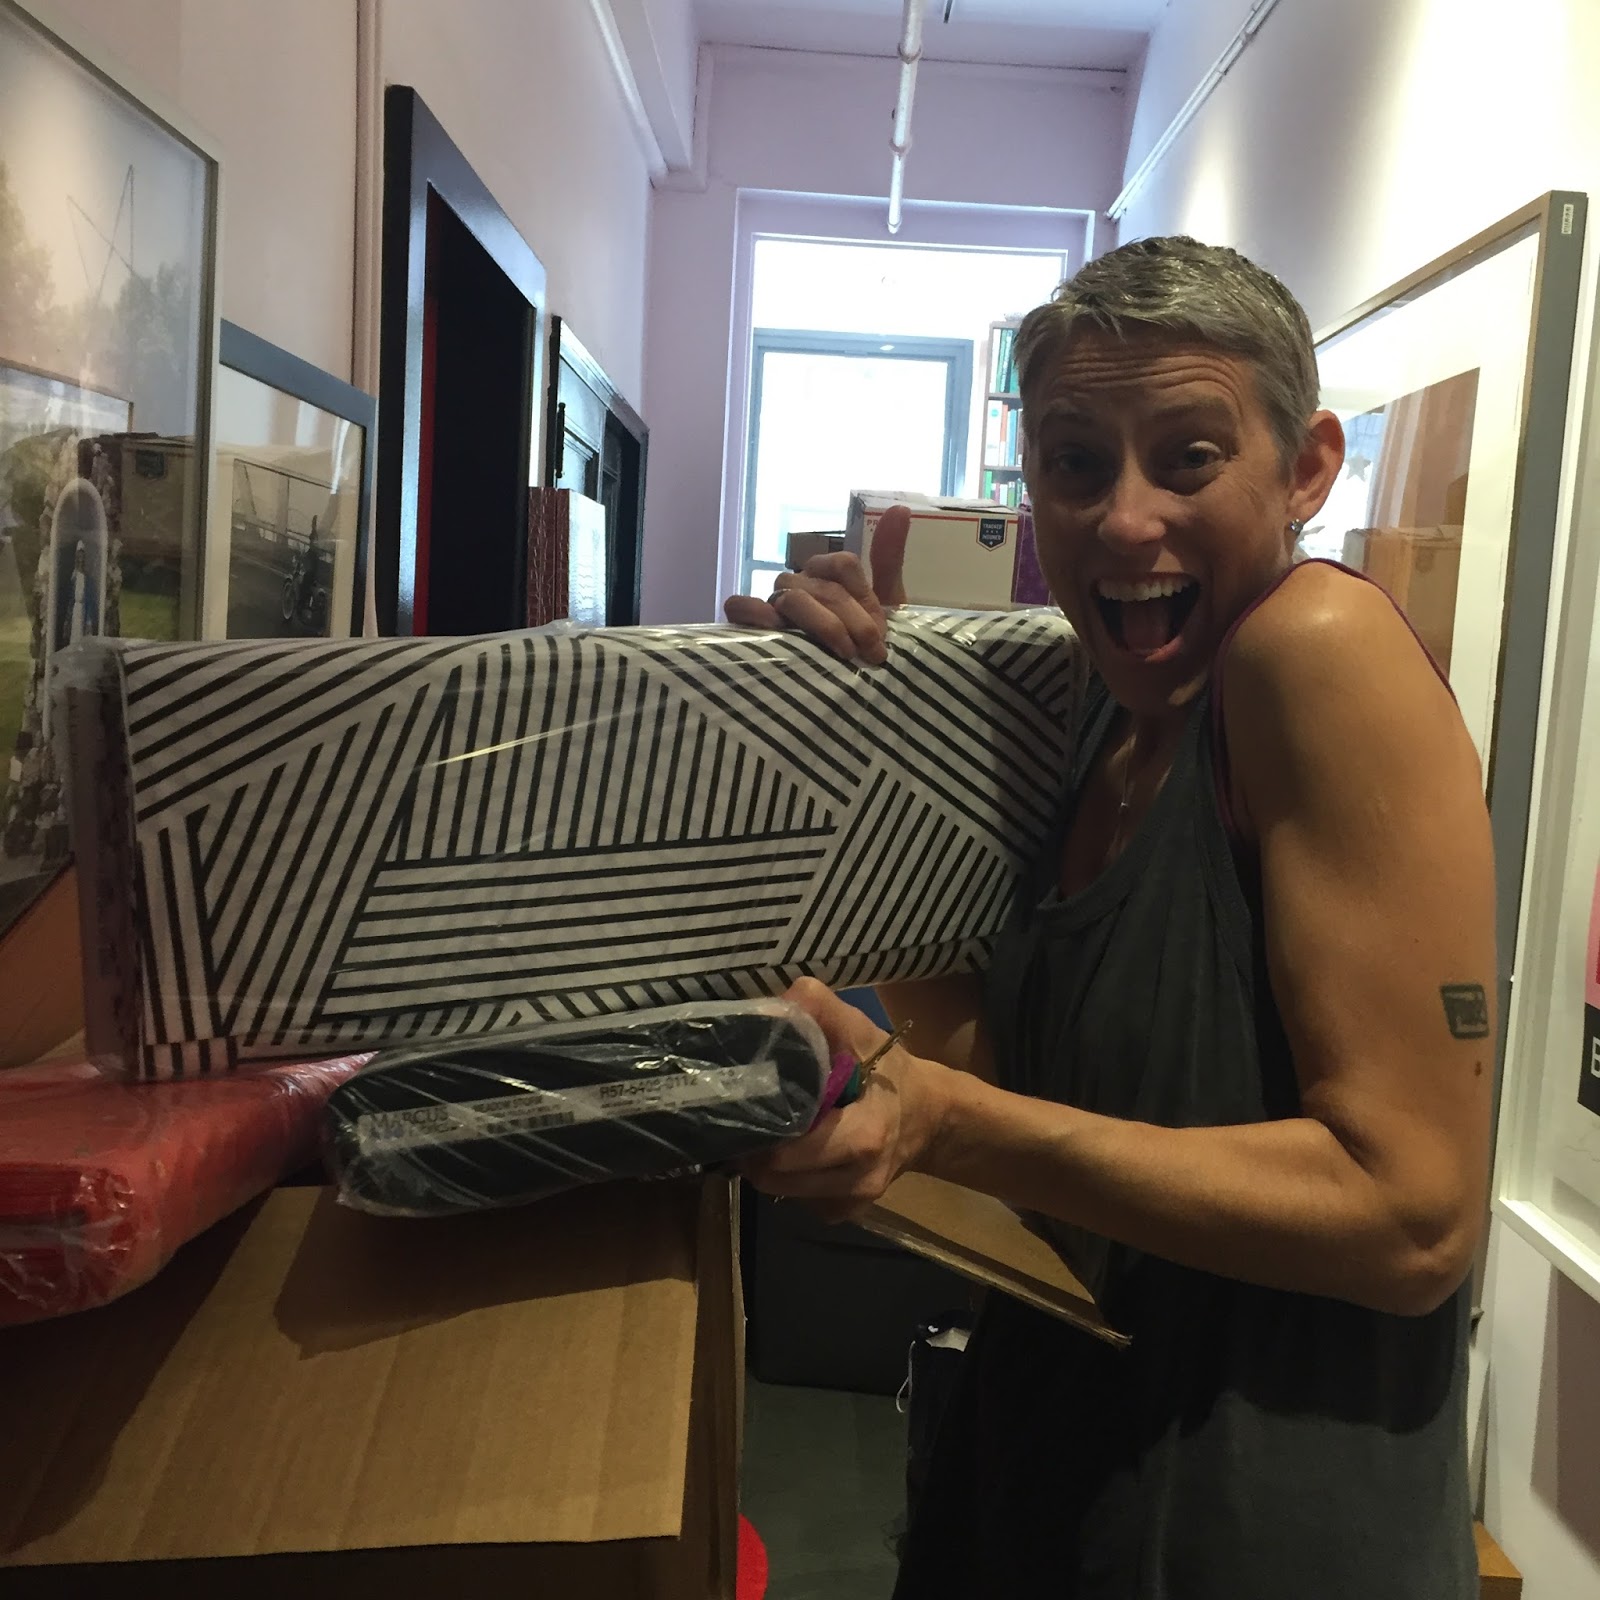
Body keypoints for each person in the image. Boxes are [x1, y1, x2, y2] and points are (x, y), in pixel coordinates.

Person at [724, 236, 1492, 1598]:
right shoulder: (1105, 708)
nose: (1125, 521)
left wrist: (943, 1122)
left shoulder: (1312, 649)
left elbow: (1412, 1219)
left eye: (1188, 458)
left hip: (1252, 1544)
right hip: (1050, 1480)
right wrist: (820, 718)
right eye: (1077, 464)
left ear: (1308, 468)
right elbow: (1043, 1078)